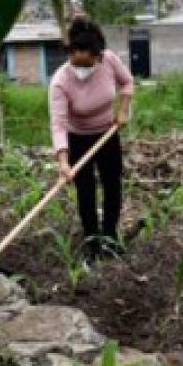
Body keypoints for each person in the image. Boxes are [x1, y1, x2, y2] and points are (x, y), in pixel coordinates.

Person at [48, 16, 133, 260]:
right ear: (70, 53)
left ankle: (109, 237)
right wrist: (64, 161)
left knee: (112, 185)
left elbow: (127, 82)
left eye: (89, 63)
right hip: (78, 139)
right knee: (85, 192)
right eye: (78, 62)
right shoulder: (61, 81)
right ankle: (92, 244)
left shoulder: (109, 61)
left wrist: (123, 109)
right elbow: (59, 124)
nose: (83, 68)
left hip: (107, 135)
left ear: (98, 55)